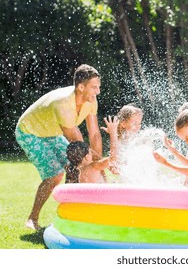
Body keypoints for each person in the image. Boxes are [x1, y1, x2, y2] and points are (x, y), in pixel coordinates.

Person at [15, 64, 103, 230]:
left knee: (77, 167)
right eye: (94, 87)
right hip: (30, 132)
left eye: (98, 87)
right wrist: (99, 163)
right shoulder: (63, 104)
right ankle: (32, 219)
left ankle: (73, 217)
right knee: (55, 174)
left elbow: (95, 133)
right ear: (81, 87)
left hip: (52, 133)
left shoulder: (90, 99)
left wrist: (97, 166)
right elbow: (78, 143)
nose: (97, 91)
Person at [65, 116, 119, 183]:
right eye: (91, 153)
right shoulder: (93, 167)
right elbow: (113, 158)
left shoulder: (73, 173)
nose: (93, 155)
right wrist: (113, 133)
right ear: (86, 157)